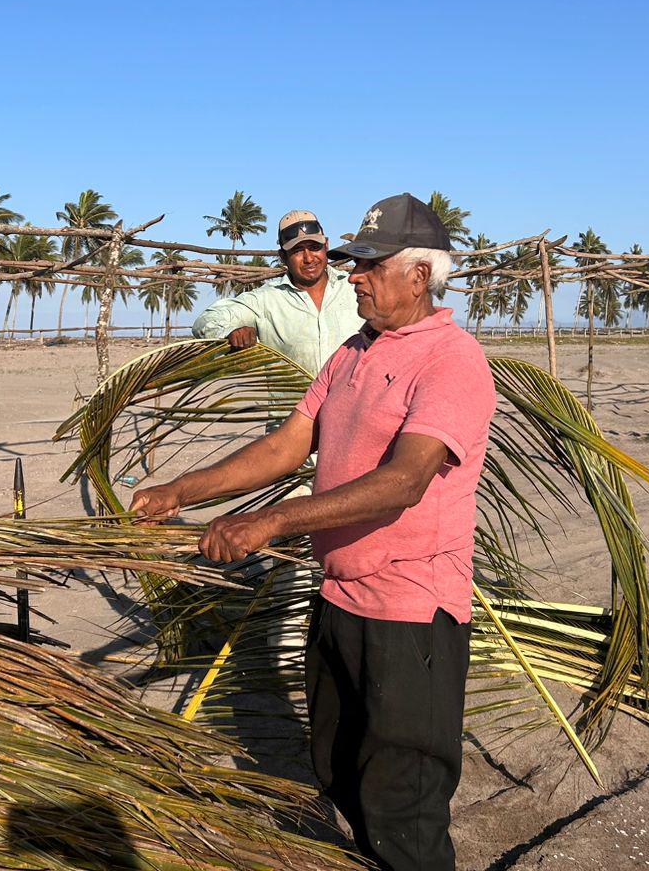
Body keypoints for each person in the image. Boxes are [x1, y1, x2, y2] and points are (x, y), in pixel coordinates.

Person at [136, 193, 494, 871]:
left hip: (411, 613)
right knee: (336, 764)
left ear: (418, 276)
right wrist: (180, 492)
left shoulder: (452, 361)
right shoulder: (354, 352)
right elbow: (287, 445)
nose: (352, 275)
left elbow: (404, 481)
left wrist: (272, 520)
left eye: (368, 265)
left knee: (403, 804)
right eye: (351, 263)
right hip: (341, 601)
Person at [191, 210, 361, 375]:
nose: (309, 258)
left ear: (326, 246)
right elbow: (205, 322)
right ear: (283, 256)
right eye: (297, 250)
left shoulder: (354, 288)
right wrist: (230, 333)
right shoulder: (266, 300)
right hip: (292, 403)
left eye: (314, 247)